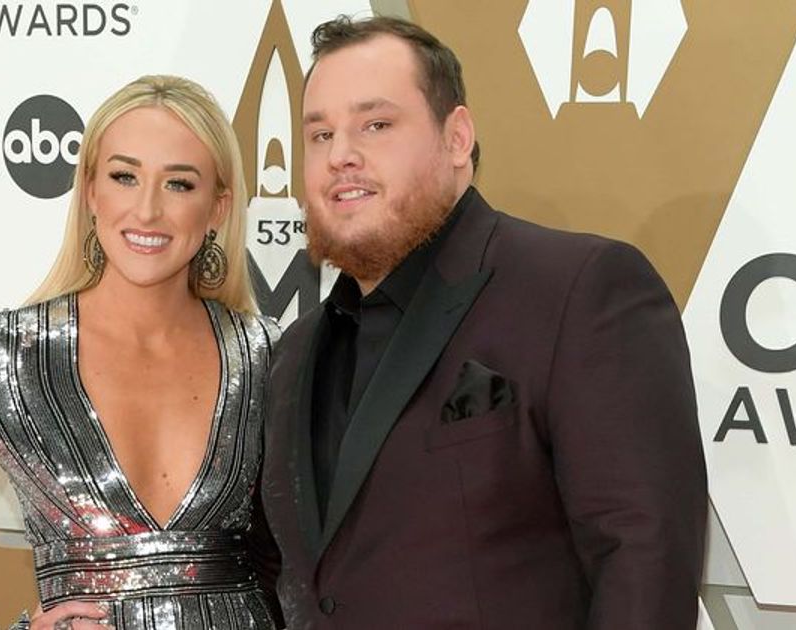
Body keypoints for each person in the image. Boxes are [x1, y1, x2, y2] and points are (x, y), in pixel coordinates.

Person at [259, 16, 707, 629]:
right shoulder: (293, 354)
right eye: (320, 134)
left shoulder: (579, 290)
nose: (341, 155)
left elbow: (643, 560)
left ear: (456, 138)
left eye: (376, 124)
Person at [0, 75, 282, 630]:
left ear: (218, 207)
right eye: (124, 176)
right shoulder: (10, 355)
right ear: (91, 191)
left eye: (179, 185)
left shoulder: (264, 354)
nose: (146, 211)